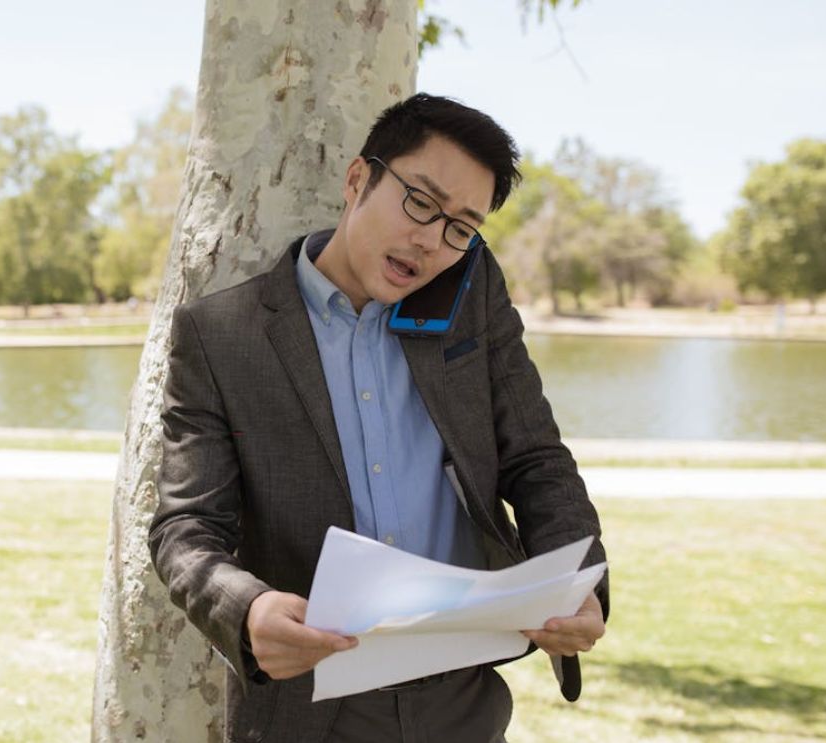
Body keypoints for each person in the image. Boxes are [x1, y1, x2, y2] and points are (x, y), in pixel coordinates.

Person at [149, 93, 608, 743]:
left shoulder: (471, 297)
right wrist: (247, 609)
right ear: (357, 179)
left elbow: (535, 456)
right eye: (419, 202)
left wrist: (577, 579)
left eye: (459, 227)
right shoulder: (221, 334)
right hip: (307, 708)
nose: (431, 239)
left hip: (463, 699)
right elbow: (184, 528)